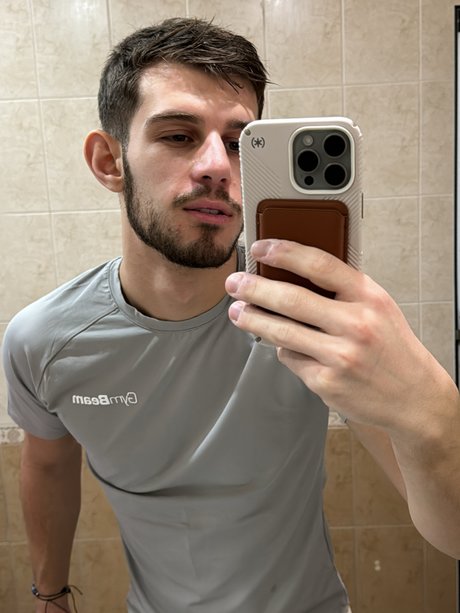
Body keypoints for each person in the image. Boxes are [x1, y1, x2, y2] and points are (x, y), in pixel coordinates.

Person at [2, 16, 460, 613]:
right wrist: (50, 592)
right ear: (110, 161)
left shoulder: (313, 319)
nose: (218, 165)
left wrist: (431, 410)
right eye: (178, 136)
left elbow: (451, 532)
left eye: (242, 143)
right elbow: (48, 465)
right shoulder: (45, 340)